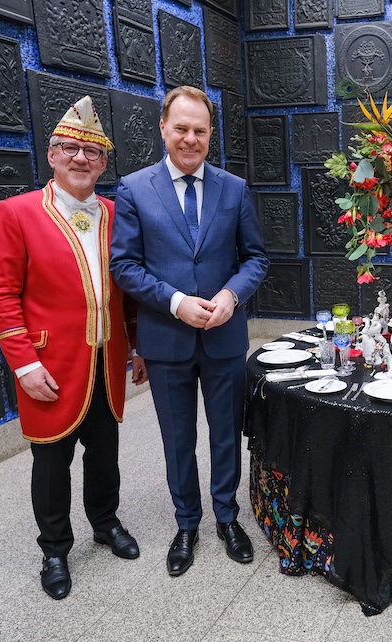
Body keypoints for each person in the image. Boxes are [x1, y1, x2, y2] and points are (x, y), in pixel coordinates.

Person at [0, 96, 146, 600]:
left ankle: (105, 522)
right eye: (70, 149)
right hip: (48, 365)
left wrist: (137, 347)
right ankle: (54, 549)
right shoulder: (16, 213)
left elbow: (131, 287)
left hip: (106, 361)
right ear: (51, 155)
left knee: (105, 455)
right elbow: (1, 294)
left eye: (91, 153)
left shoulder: (119, 215)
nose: (80, 159)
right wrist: (24, 363)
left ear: (103, 163)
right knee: (51, 466)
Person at [110, 86, 269, 577]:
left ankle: (227, 517)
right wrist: (177, 302)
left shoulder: (234, 189)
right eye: (181, 128)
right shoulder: (134, 189)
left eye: (200, 130)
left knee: (225, 435)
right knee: (177, 439)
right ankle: (187, 523)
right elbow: (124, 266)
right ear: (163, 128)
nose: (190, 138)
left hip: (224, 337)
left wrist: (231, 295)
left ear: (210, 134)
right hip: (166, 340)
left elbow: (255, 258)